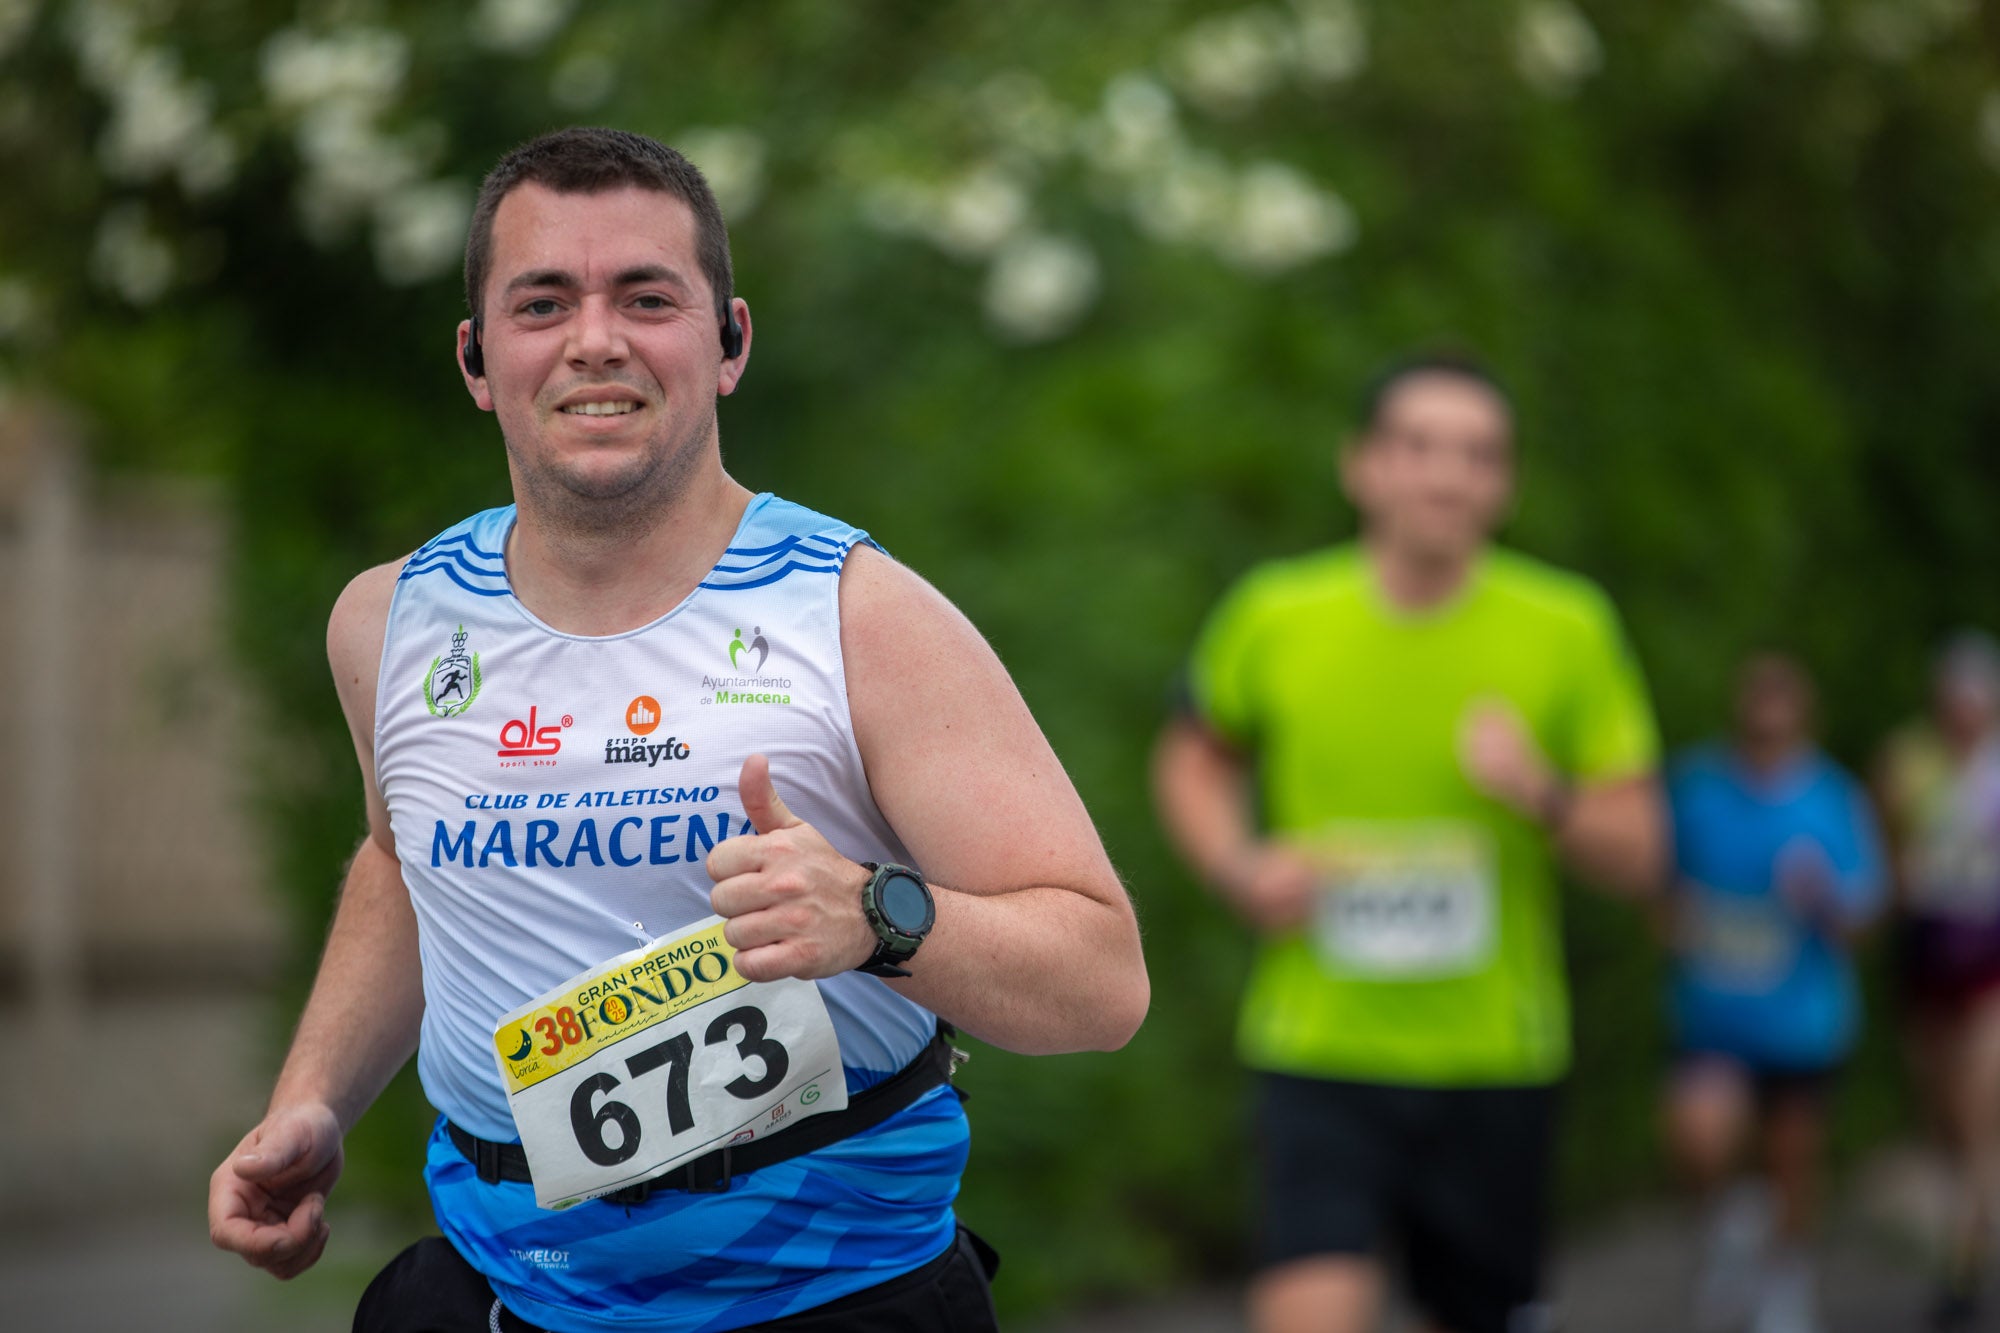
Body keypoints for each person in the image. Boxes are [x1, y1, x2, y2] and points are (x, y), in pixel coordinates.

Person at [206, 127, 1149, 1333]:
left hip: (828, 1296)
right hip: (506, 1289)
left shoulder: (858, 614)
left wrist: (871, 917)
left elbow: (1100, 979)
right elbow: (406, 864)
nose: (594, 339)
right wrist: (314, 1099)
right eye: (542, 302)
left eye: (646, 298)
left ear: (729, 342)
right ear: (477, 357)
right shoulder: (389, 621)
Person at [1152, 352, 1665, 1333]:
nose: (1445, 475)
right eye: (1418, 446)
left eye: (1476, 454)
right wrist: (1235, 862)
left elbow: (1639, 851)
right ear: (1361, 465)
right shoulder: (1276, 612)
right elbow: (1191, 757)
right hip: (1318, 1044)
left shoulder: (1566, 626)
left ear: (1503, 483)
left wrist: (1541, 790)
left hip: (1493, 1058)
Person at [1660, 653, 1886, 1333]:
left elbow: (1863, 919)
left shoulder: (1832, 799)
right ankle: (1731, 1225)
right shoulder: (1697, 788)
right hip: (1714, 1015)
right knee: (1697, 1134)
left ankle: (1785, 1277)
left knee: (1793, 1156)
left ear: (1802, 716)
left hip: (1802, 1019)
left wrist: (1824, 899)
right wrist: (1679, 921)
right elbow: (1657, 882)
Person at [1878, 631, 2000, 1331]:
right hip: (1926, 964)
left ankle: (1965, 1262)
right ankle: (1967, 1225)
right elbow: (1885, 856)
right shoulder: (1908, 761)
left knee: (1976, 1105)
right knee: (1943, 1118)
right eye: (1954, 698)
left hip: (1989, 969)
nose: (1964, 712)